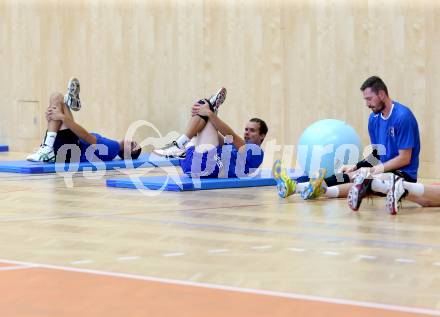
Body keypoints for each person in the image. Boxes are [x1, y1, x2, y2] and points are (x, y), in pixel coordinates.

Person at [273, 76, 421, 214]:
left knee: (361, 178)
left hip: (404, 175)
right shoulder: (374, 119)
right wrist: (356, 166)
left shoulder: (402, 117)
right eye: (365, 100)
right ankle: (296, 187)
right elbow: (377, 154)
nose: (367, 104)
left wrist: (374, 169)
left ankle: (314, 189)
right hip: (383, 170)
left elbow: (404, 159)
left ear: (381, 94)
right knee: (349, 174)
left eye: (369, 99)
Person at [153, 88, 268, 178]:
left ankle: (179, 144)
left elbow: (232, 136)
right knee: (203, 106)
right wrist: (204, 114)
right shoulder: (233, 147)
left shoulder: (257, 152)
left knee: (205, 108)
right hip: (190, 163)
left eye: (252, 130)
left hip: (206, 165)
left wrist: (210, 113)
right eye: (246, 129)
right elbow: (216, 134)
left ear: (262, 135)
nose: (247, 133)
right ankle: (181, 143)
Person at [26, 80, 141, 163]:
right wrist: (53, 120)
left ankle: (68, 102)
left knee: (57, 99)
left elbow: (86, 137)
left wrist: (63, 118)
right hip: (68, 148)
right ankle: (47, 144)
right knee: (56, 99)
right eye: (136, 144)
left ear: (126, 154)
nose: (135, 144)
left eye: (134, 149)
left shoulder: (113, 148)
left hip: (70, 152)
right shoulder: (111, 145)